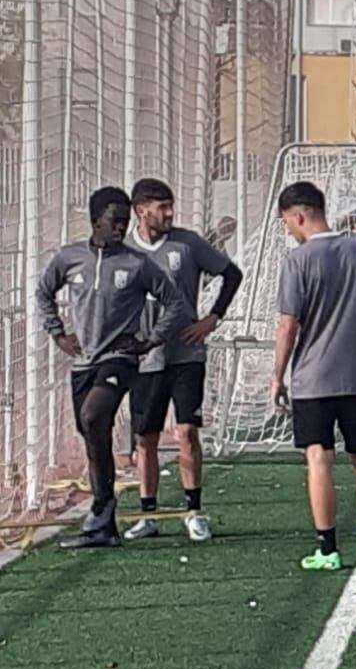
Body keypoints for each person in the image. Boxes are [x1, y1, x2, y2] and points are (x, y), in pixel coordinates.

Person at [35, 187, 193, 548]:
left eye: (124, 221)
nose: (121, 228)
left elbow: (174, 302)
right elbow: (44, 292)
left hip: (120, 359)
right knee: (93, 435)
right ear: (95, 222)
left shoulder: (136, 264)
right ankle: (103, 523)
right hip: (83, 362)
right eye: (114, 221)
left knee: (94, 415)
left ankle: (102, 512)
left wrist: (149, 340)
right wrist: (58, 334)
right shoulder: (69, 258)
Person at [270, 181, 356, 569]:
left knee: (318, 458)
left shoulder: (299, 261)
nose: (289, 230)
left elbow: (288, 324)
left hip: (312, 378)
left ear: (299, 216)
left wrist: (277, 376)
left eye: (287, 223)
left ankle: (328, 549)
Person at [124, 178, 243, 542]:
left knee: (187, 430)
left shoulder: (188, 243)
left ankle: (194, 510)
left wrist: (212, 318)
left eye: (170, 205)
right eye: (161, 207)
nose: (169, 213)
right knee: (146, 438)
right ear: (141, 210)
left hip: (186, 353)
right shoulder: (124, 250)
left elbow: (231, 274)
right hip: (144, 360)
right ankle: (149, 514)